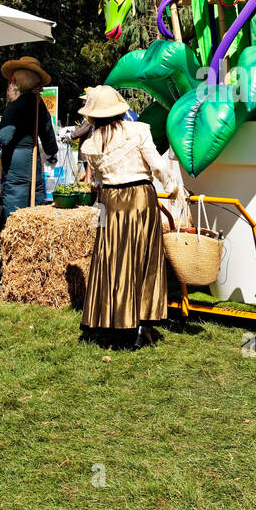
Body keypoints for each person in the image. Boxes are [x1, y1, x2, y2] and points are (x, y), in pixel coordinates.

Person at [79, 85, 181, 347]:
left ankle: (115, 320)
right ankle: (140, 324)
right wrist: (172, 188)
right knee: (143, 257)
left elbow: (98, 181)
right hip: (139, 198)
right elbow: (157, 165)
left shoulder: (90, 145)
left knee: (113, 258)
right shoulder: (139, 130)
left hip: (111, 201)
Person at [0, 56, 58, 220]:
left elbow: (2, 137)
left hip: (17, 159)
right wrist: (51, 150)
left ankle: (15, 234)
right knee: (34, 195)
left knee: (17, 196)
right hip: (33, 157)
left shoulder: (16, 106)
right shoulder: (39, 103)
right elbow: (47, 131)